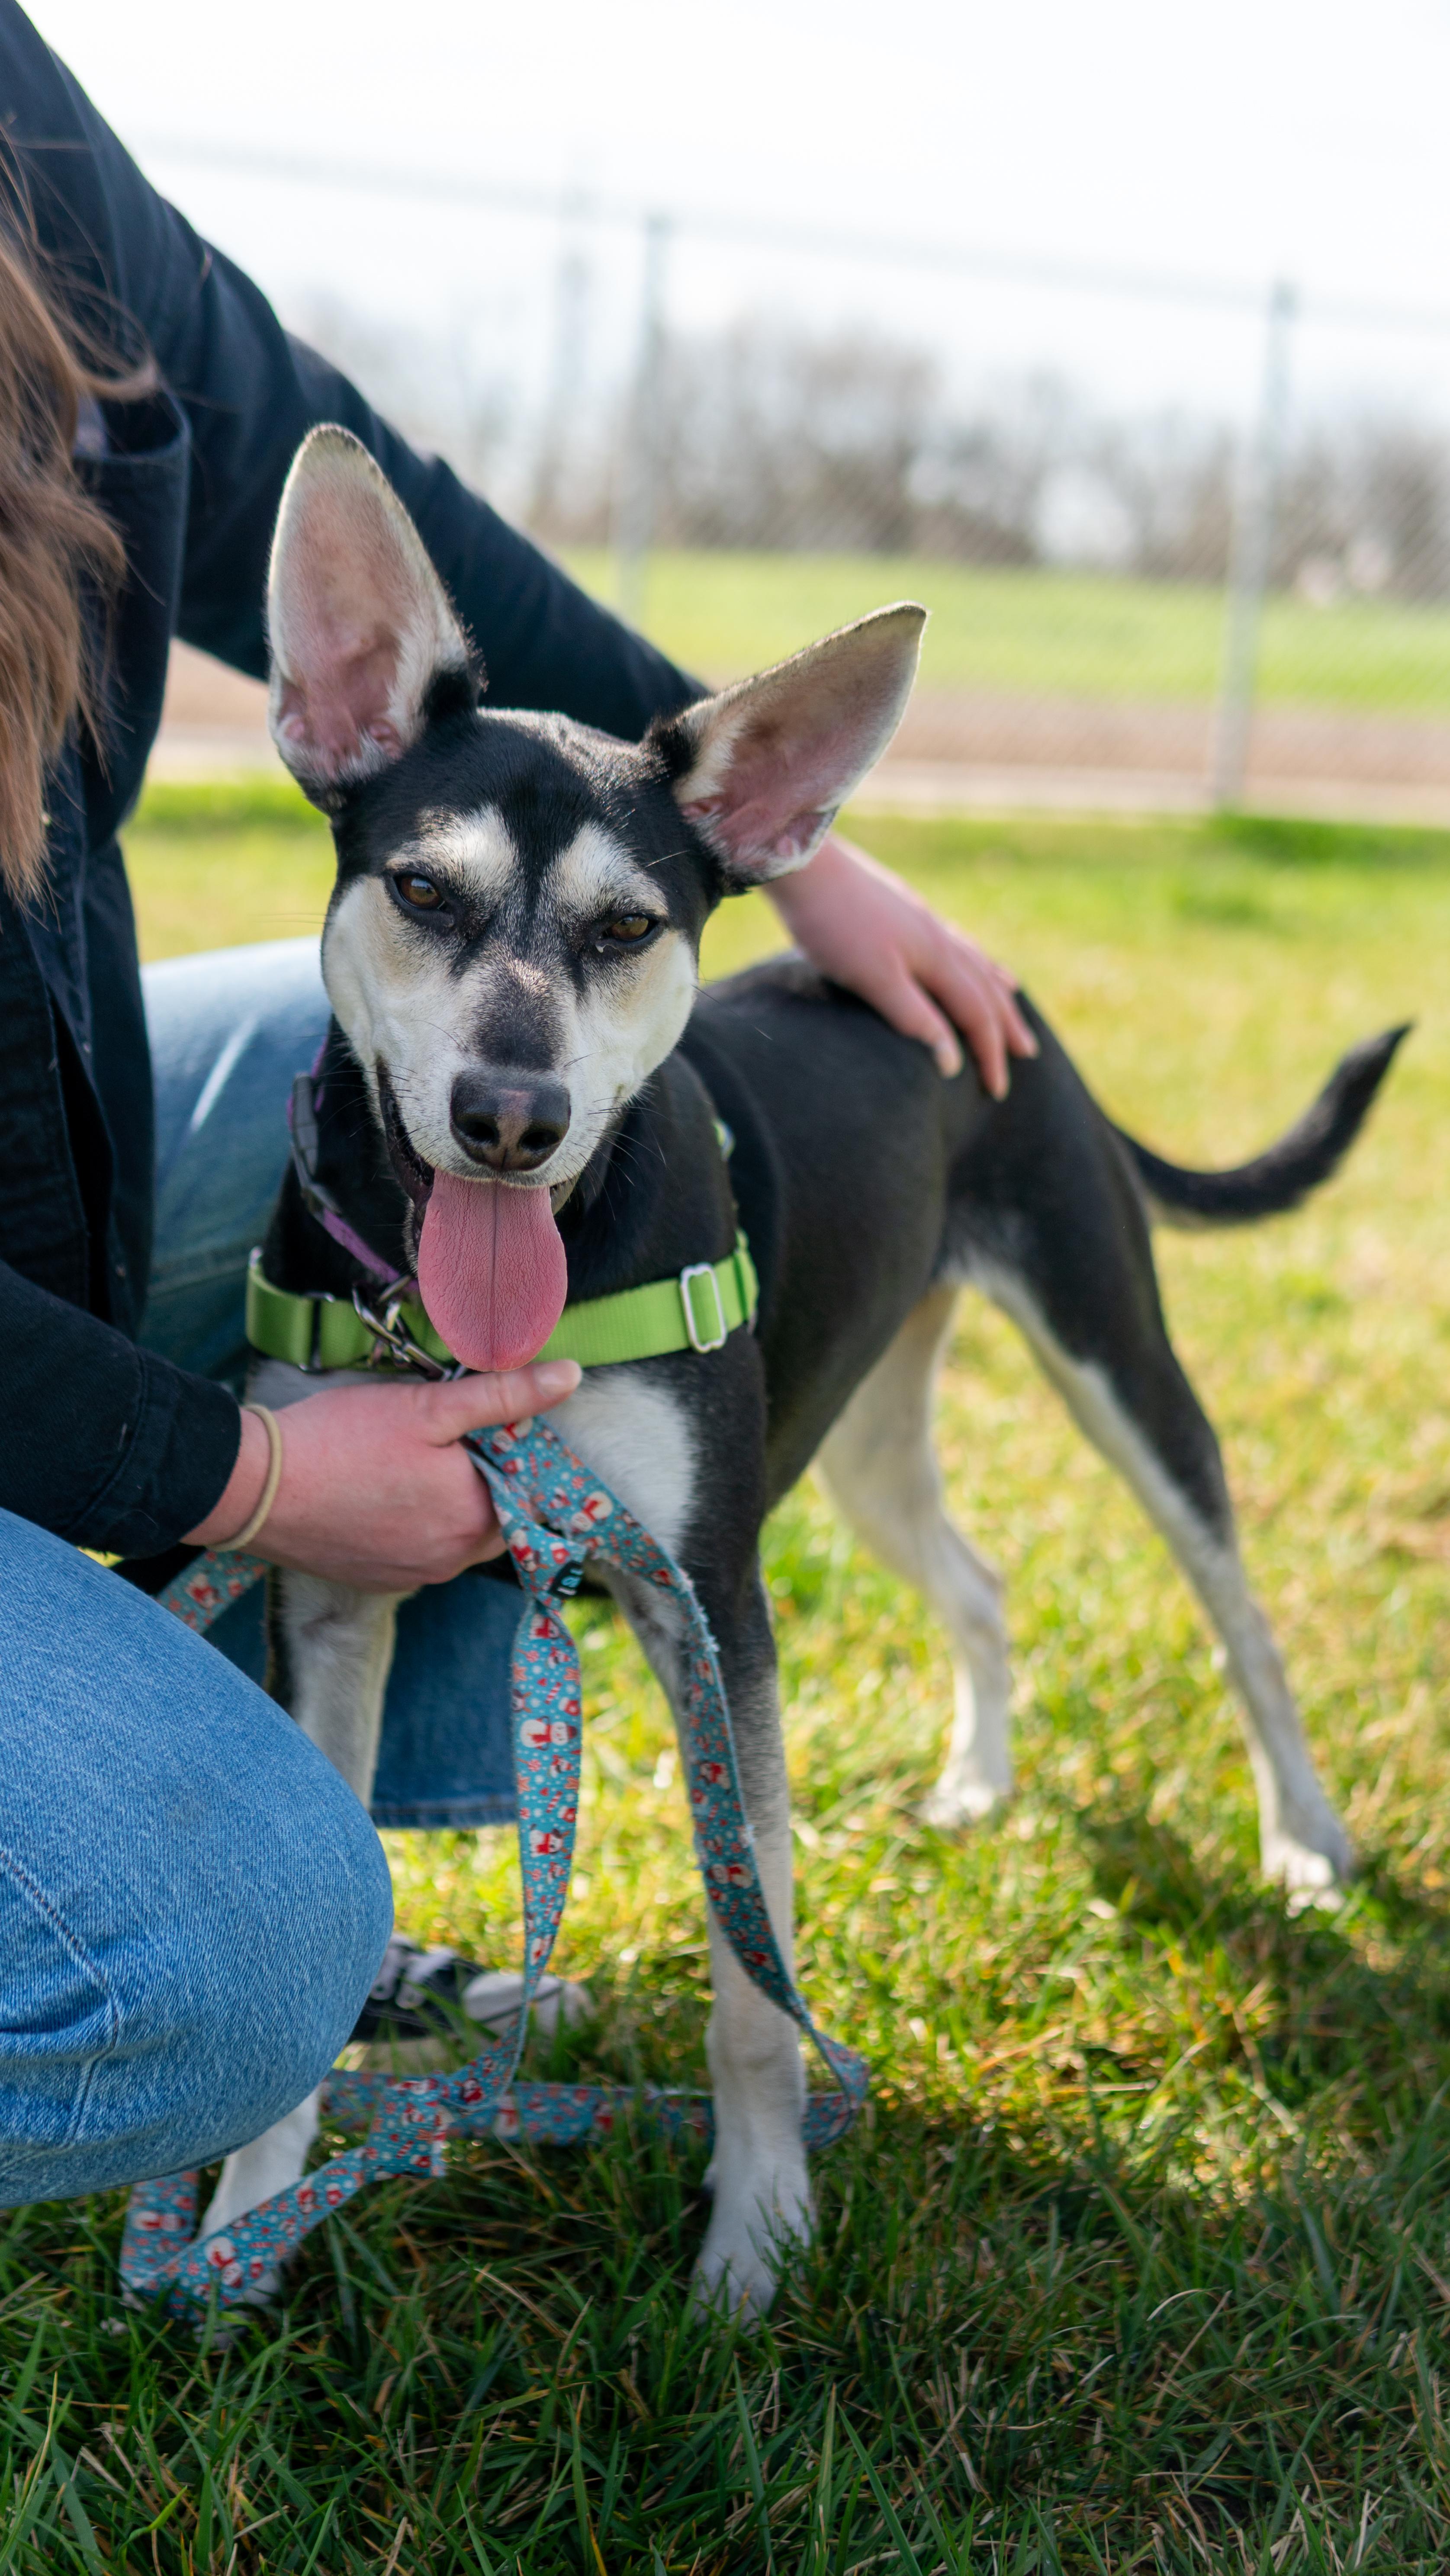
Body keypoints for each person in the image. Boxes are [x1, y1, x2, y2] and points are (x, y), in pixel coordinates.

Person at [0, 0, 1035, 2212]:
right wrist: (255, 1468)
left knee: (440, 1253)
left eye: (600, 952)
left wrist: (795, 849)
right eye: (452, 926)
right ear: (326, 719)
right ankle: (244, 1944)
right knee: (225, 1959)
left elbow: (300, 429)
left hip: (32, 1146)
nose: (510, 1065)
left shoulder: (16, 121)